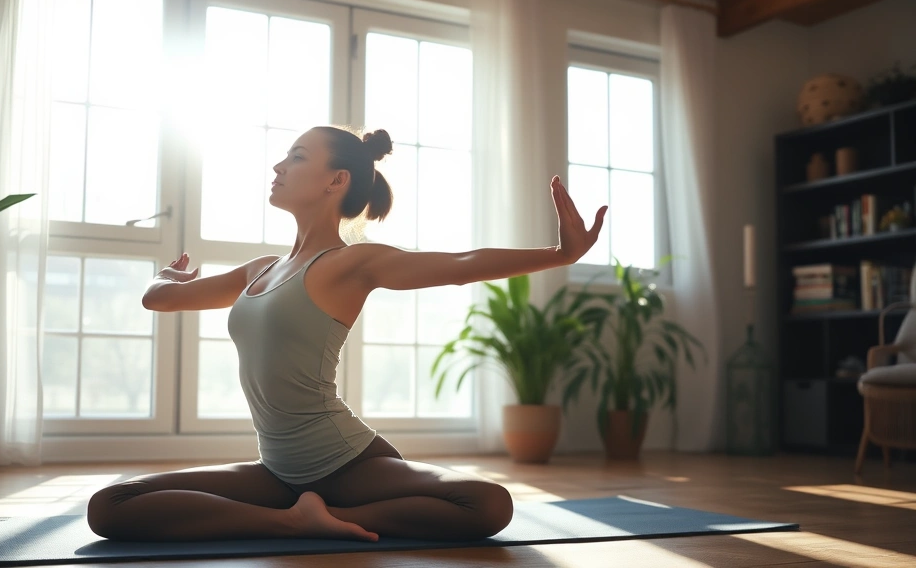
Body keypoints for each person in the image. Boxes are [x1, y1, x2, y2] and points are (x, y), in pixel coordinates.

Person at [86, 126, 607, 543]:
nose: (277, 166)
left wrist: (561, 255)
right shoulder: (259, 271)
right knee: (111, 506)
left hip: (348, 464)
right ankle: (292, 521)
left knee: (489, 502)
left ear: (336, 181)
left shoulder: (351, 263)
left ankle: (322, 512)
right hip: (277, 469)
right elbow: (160, 299)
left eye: (295, 157)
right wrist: (169, 276)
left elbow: (460, 264)